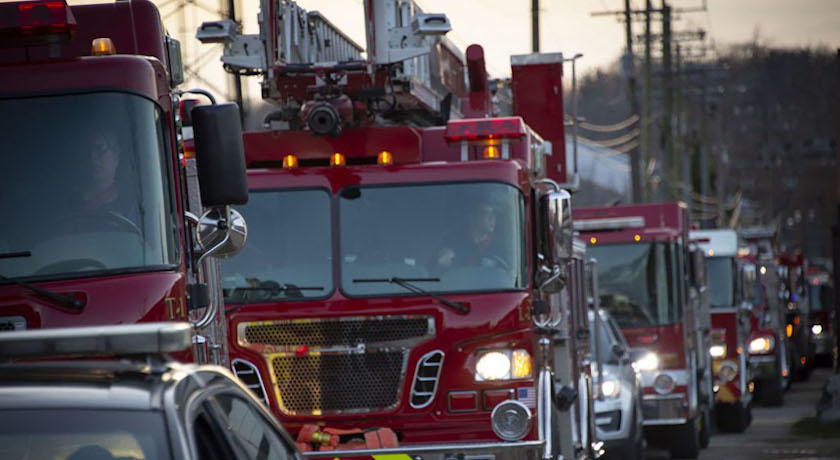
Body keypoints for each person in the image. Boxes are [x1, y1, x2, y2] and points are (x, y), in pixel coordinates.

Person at [435, 201, 507, 272]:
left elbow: (509, 275)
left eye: (493, 213)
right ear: (472, 217)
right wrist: (443, 260)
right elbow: (434, 271)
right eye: (485, 213)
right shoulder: (453, 242)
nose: (492, 218)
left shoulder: (499, 246)